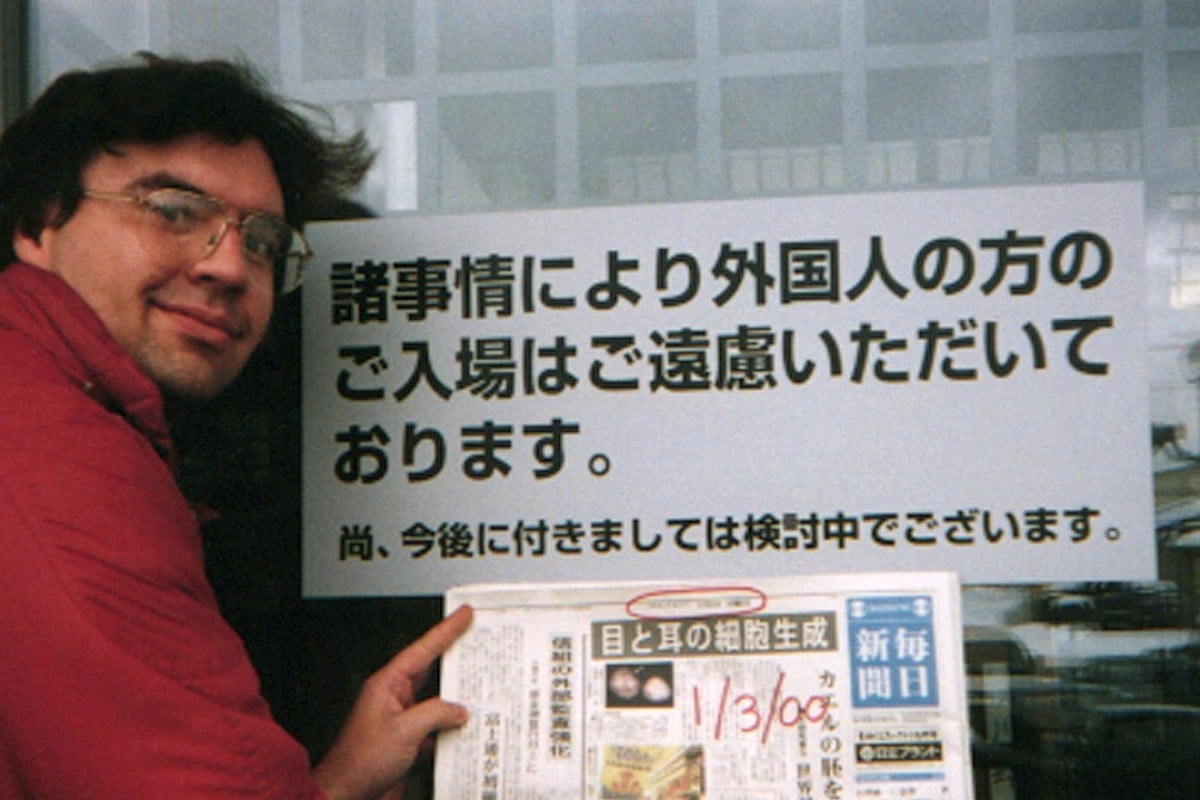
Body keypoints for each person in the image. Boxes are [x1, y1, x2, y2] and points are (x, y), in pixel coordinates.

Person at [0, 53, 472, 800]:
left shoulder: (63, 403)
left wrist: (337, 782)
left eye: (263, 241)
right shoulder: (58, 456)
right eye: (174, 210)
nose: (229, 267)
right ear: (39, 222)